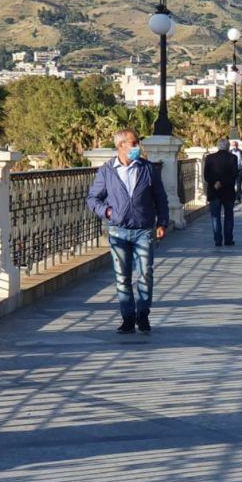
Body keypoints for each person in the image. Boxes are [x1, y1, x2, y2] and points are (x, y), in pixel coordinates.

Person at [85, 129, 169, 335]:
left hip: (144, 230)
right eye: (134, 142)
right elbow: (92, 198)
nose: (138, 146)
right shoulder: (107, 171)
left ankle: (143, 315)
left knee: (145, 274)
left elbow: (160, 197)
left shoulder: (148, 169)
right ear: (121, 146)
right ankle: (128, 318)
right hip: (118, 231)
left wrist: (163, 223)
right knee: (122, 276)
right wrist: (107, 211)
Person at [203, 140, 239, 247]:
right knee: (229, 216)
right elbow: (234, 175)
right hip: (228, 192)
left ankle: (217, 240)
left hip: (214, 191)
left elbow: (206, 175)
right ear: (228, 147)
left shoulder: (209, 158)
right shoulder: (233, 158)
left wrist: (215, 183)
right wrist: (222, 182)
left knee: (215, 217)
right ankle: (228, 239)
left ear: (218, 147)